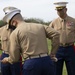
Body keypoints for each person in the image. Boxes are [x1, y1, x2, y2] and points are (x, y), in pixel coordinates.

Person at [1, 7, 60, 75]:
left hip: (31, 64)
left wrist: (7, 59)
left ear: (14, 22)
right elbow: (56, 34)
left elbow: (14, 58)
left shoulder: (15, 33)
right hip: (47, 62)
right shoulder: (40, 26)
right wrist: (53, 53)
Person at [49, 1, 75, 75]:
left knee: (72, 71)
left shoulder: (73, 21)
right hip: (58, 49)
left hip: (70, 48)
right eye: (57, 10)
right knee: (56, 71)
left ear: (66, 9)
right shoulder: (54, 22)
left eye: (61, 9)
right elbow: (48, 33)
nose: (59, 12)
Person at [0, 7, 22, 75]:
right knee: (5, 73)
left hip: (16, 56)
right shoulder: (1, 30)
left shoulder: (21, 29)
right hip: (4, 55)